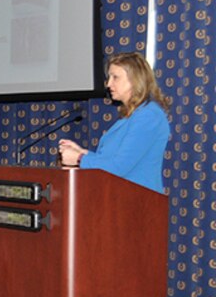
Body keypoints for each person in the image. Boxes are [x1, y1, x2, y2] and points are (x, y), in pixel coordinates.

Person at [58, 52, 171, 193]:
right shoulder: (132, 116)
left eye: (115, 77)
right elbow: (109, 160)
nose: (109, 84)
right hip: (120, 199)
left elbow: (119, 167)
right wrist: (82, 152)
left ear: (135, 80)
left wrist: (79, 159)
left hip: (139, 202)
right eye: (109, 77)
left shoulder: (149, 116)